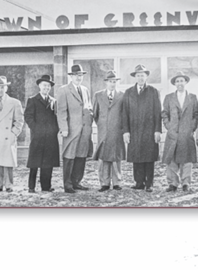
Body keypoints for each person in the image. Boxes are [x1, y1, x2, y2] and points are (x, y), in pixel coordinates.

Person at [122, 64, 162, 191]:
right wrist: (126, 131)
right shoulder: (129, 93)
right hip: (134, 129)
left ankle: (149, 183)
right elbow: (125, 113)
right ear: (135, 77)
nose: (140, 78)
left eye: (142, 75)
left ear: (146, 77)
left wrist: (157, 130)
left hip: (149, 130)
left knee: (149, 156)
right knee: (136, 156)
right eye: (138, 75)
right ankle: (139, 182)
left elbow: (157, 112)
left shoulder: (153, 91)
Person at [56, 64, 94, 194]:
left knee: (81, 157)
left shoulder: (85, 90)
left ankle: (77, 182)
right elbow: (61, 111)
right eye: (76, 75)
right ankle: (68, 184)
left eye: (80, 75)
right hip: (71, 130)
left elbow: (88, 108)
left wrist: (89, 124)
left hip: (84, 130)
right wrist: (64, 128)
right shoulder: (64, 90)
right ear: (71, 76)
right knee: (69, 157)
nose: (78, 78)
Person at [161, 72, 198, 192]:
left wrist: (191, 128)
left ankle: (186, 182)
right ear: (174, 84)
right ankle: (173, 183)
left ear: (186, 82)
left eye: (182, 81)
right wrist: (169, 126)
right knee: (171, 158)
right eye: (177, 81)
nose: (180, 83)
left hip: (186, 133)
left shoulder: (192, 97)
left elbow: (196, 114)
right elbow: (164, 113)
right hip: (173, 133)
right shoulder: (169, 97)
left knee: (186, 159)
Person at [23, 73, 60, 193]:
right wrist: (35, 129)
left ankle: (46, 186)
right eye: (44, 85)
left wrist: (54, 130)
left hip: (50, 137)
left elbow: (56, 118)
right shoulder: (32, 100)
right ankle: (31, 187)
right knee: (34, 162)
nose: (46, 88)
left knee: (48, 163)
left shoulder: (53, 101)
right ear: (39, 86)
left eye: (49, 86)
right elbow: (28, 117)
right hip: (37, 137)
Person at [91, 70, 127, 191]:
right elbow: (95, 114)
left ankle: (117, 182)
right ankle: (104, 183)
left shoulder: (122, 95)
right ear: (106, 82)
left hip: (117, 131)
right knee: (104, 156)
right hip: (103, 132)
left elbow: (124, 114)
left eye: (114, 81)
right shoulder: (98, 95)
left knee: (116, 157)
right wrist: (102, 124)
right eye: (110, 81)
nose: (112, 84)